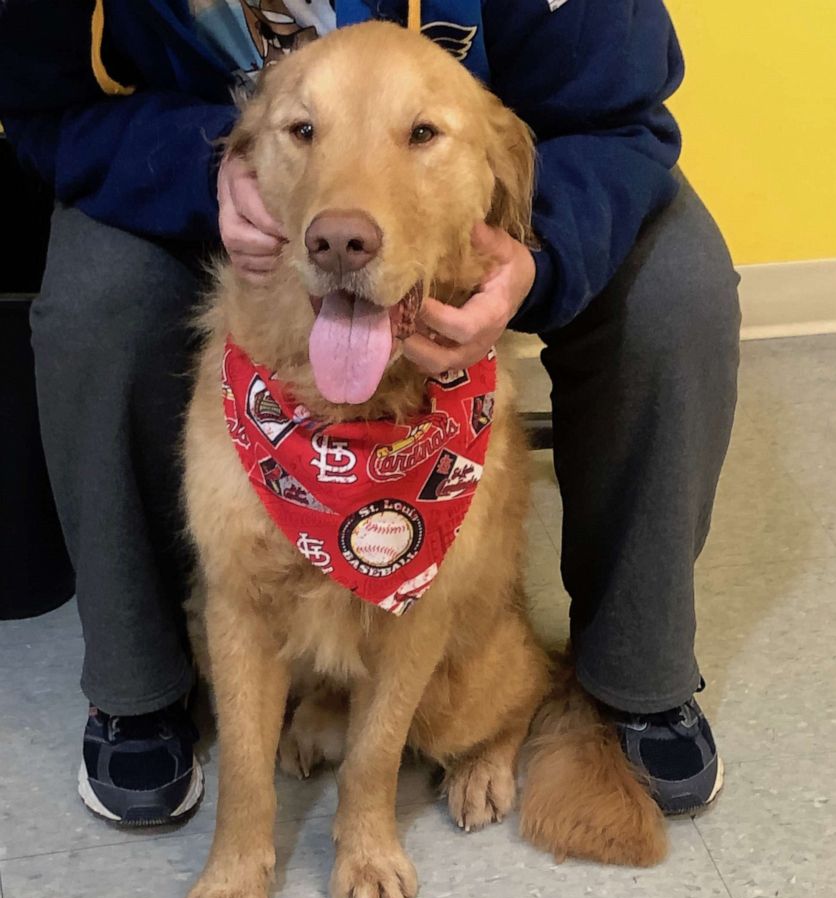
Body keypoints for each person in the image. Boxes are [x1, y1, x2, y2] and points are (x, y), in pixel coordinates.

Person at [0, 0, 739, 825]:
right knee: (94, 306)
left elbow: (617, 117)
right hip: (206, 161)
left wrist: (543, 252)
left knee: (678, 292)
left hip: (481, 183)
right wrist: (204, 168)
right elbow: (44, 105)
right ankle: (137, 690)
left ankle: (637, 673)